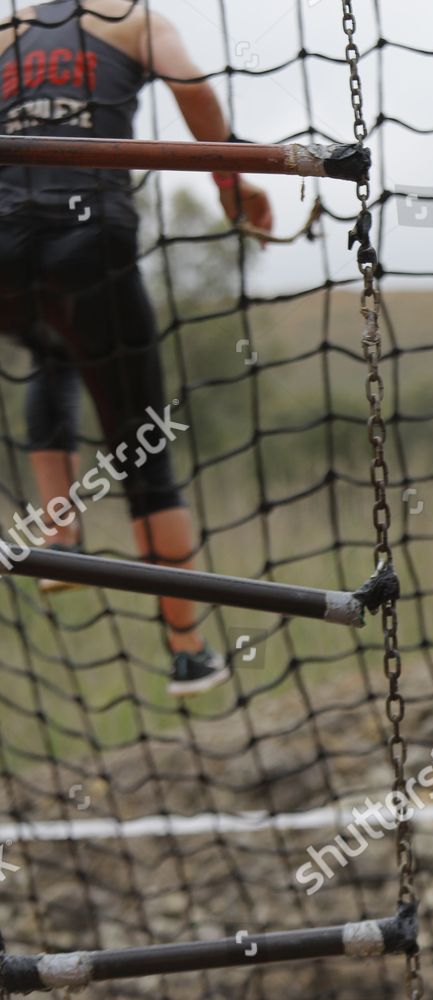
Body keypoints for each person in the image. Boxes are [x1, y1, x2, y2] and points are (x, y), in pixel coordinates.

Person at [0, 0, 273, 696]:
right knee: (143, 443)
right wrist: (231, 177)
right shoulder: (131, 18)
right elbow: (193, 90)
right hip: (93, 240)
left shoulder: (9, 30)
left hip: (6, 246)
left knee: (49, 351)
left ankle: (60, 538)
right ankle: (187, 649)